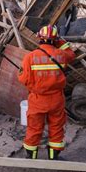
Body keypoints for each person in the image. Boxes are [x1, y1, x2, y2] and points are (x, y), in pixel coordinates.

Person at [18, 24, 76, 160]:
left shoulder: (30, 57)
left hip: (37, 99)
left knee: (34, 128)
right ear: (55, 39)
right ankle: (53, 157)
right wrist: (60, 41)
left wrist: (33, 86)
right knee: (56, 127)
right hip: (56, 99)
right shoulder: (62, 56)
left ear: (39, 39)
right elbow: (71, 54)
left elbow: (23, 79)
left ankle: (31, 157)